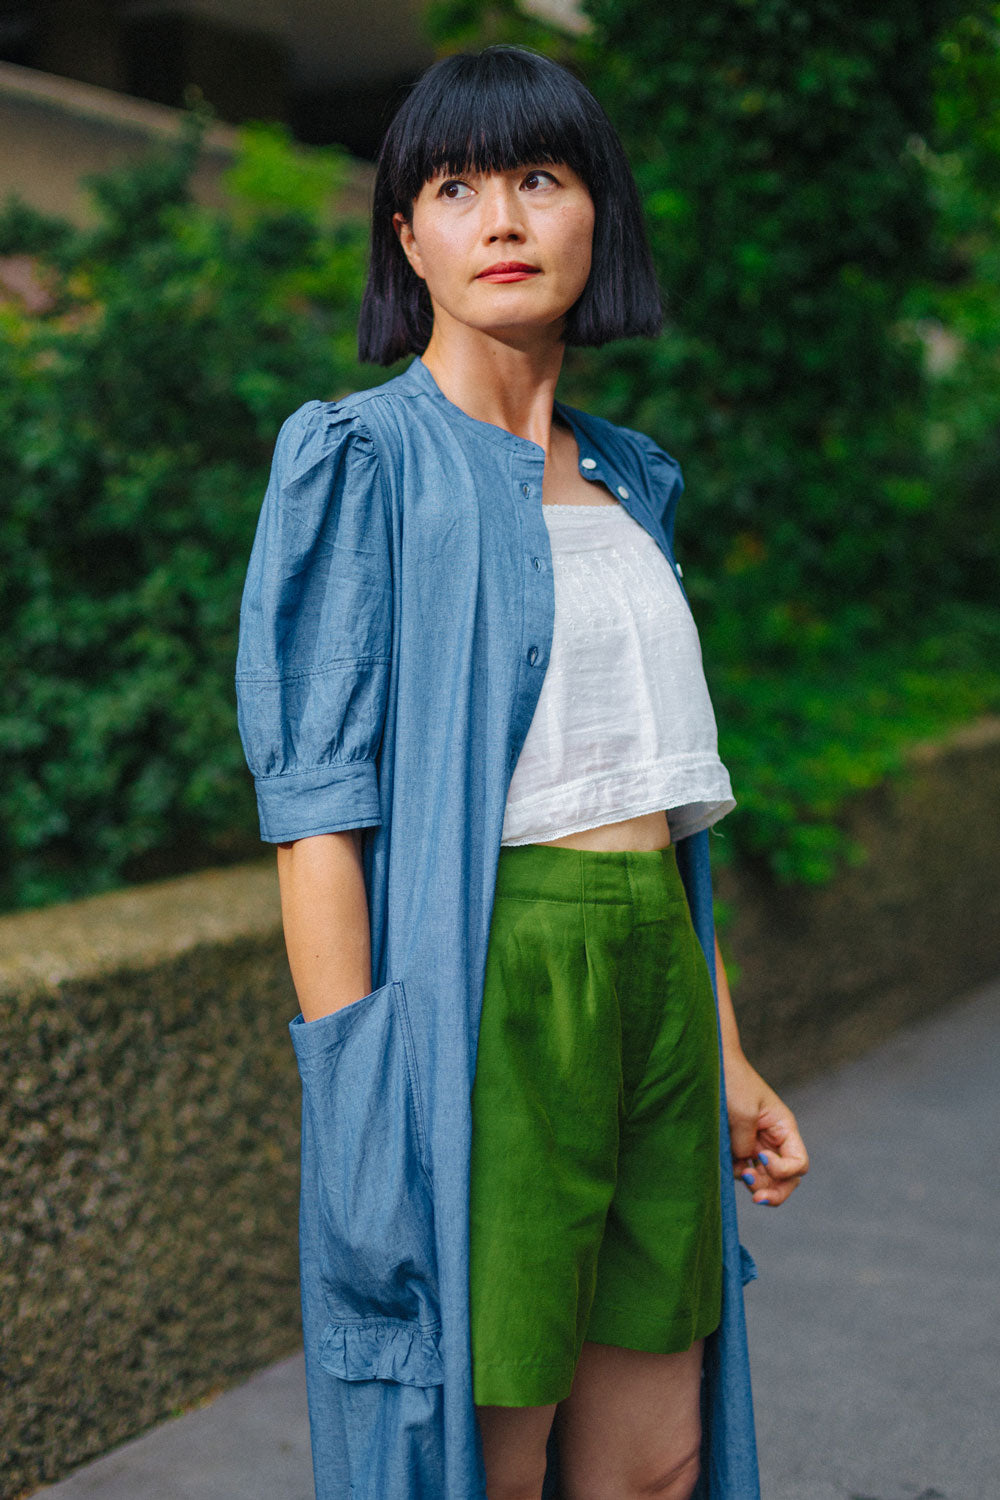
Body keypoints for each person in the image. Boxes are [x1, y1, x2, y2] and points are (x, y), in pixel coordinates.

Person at [235, 43, 809, 1500]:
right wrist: (365, 1111)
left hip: (657, 993)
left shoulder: (634, 479)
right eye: (457, 186)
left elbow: (663, 800)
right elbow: (318, 826)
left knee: (656, 1464)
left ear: (594, 217)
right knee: (486, 1451)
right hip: (490, 989)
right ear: (407, 238)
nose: (502, 220)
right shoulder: (363, 466)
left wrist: (728, 1051)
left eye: (540, 181)